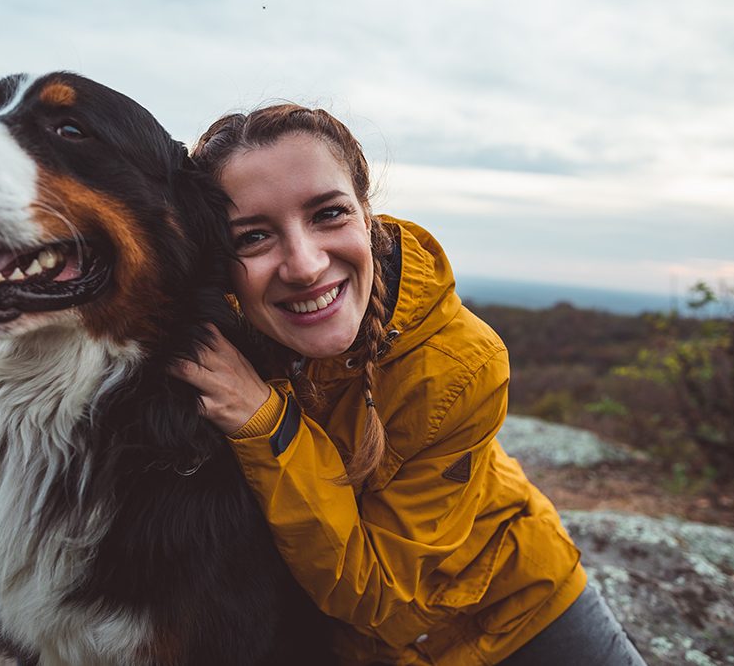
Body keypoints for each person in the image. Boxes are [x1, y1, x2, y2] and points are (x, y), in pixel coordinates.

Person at [172, 105, 647, 665]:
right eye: (253, 237)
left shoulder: (460, 362)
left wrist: (267, 425)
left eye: (328, 214)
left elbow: (382, 595)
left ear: (366, 215)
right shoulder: (207, 344)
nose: (303, 265)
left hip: (520, 608)